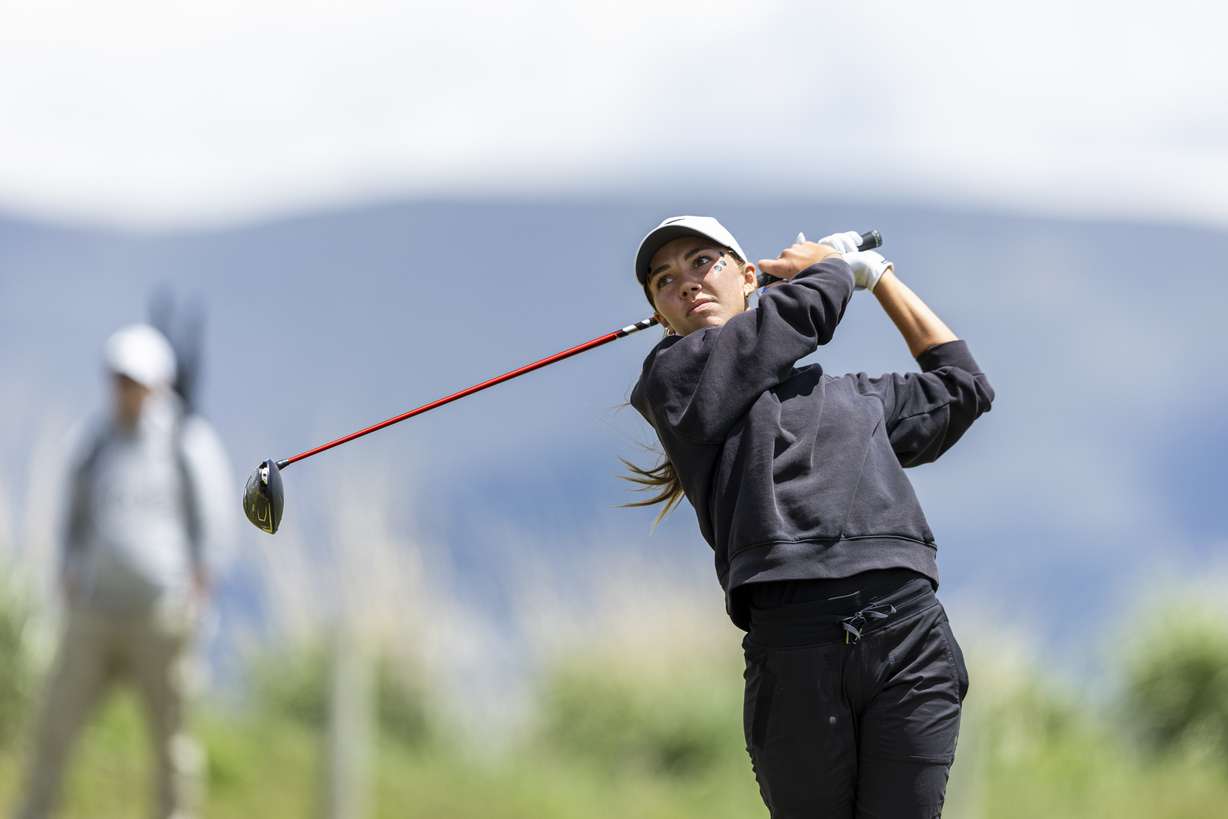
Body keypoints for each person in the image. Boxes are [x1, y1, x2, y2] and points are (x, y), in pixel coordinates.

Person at [625, 216, 994, 818]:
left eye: (702, 263)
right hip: (794, 649)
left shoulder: (855, 397)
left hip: (908, 635)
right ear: (662, 315)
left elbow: (963, 387)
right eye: (664, 280)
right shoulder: (674, 379)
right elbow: (799, 317)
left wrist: (879, 279)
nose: (685, 283)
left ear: (750, 277)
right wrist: (828, 269)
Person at [14, 324, 235, 819]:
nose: (124, 391)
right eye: (117, 379)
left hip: (162, 616)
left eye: (134, 381)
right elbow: (72, 518)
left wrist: (199, 591)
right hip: (94, 612)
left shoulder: (188, 444)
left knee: (173, 746)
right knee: (53, 730)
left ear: (158, 385)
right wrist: (67, 571)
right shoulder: (92, 443)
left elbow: (214, 525)